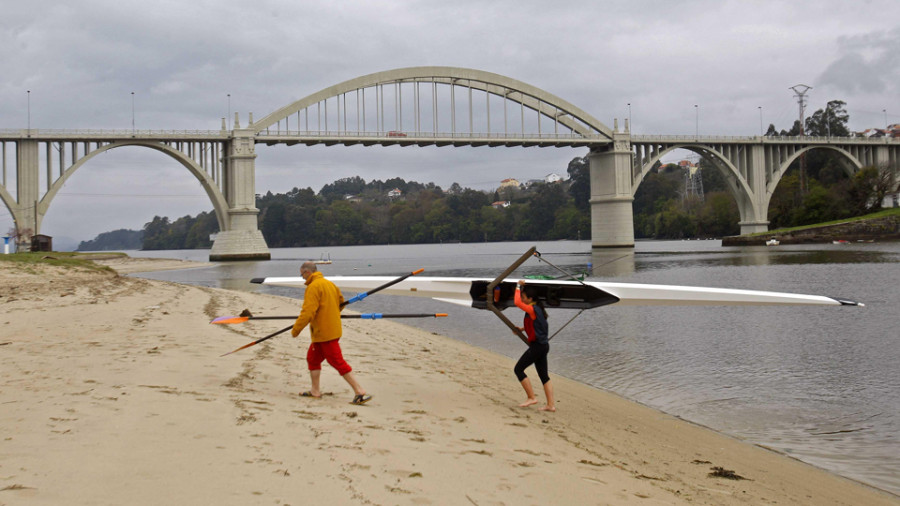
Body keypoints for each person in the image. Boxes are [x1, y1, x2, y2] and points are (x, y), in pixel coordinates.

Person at [291, 261, 371, 405]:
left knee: (337, 361)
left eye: (302, 274)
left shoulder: (313, 287)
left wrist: (296, 330)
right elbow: (341, 303)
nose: (302, 278)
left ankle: (359, 391)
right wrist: (330, 313)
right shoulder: (330, 284)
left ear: (308, 272)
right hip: (328, 330)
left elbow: (308, 313)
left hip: (325, 333)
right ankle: (315, 391)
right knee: (313, 359)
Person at [512, 279, 555, 412]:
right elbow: (536, 325)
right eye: (523, 297)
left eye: (524, 297)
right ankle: (550, 405)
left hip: (537, 347)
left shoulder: (532, 309)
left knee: (518, 369)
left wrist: (518, 286)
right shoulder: (538, 309)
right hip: (543, 346)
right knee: (544, 376)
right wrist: (522, 329)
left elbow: (517, 302)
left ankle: (531, 397)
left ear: (530, 299)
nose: (523, 299)